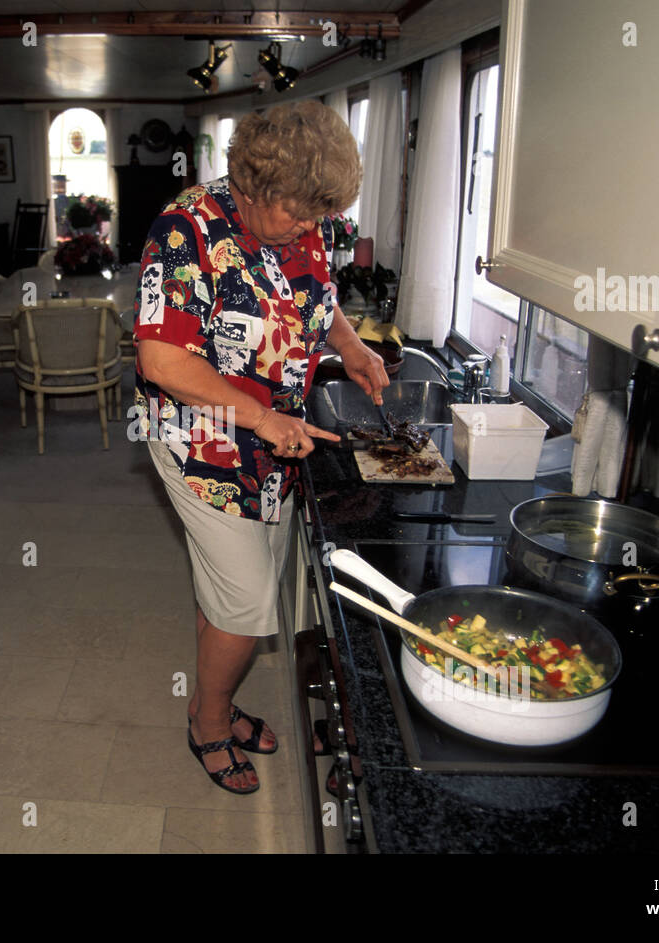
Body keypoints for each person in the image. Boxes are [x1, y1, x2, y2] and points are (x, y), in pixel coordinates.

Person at [133, 101, 389, 794]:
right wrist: (257, 415)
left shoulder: (302, 220)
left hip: (276, 442)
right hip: (205, 444)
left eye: (320, 215)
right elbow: (162, 360)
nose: (312, 227)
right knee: (248, 597)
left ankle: (214, 695)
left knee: (230, 589)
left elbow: (319, 296)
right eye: (300, 214)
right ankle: (208, 720)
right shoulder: (184, 230)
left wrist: (351, 345)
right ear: (250, 185)